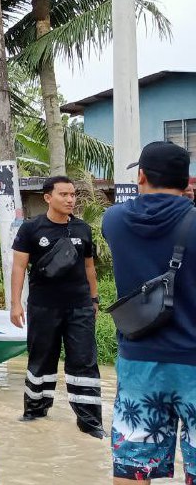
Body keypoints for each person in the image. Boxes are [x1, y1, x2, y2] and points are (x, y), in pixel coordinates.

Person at [103, 141, 196, 484]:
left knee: (132, 468)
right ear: (188, 182)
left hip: (140, 361)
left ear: (141, 176)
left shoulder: (113, 221)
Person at [9, 175, 103, 437]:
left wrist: (94, 299)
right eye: (64, 194)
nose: (70, 199)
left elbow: (89, 268)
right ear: (48, 197)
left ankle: (90, 422)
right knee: (41, 360)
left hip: (80, 307)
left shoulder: (83, 229)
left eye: (73, 195)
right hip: (43, 307)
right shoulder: (31, 229)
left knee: (84, 362)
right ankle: (35, 412)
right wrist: (15, 304)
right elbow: (18, 267)